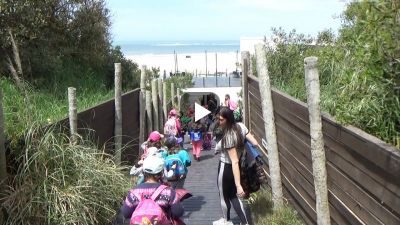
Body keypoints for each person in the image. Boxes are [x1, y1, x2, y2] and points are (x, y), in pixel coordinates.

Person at [213, 107, 259, 225]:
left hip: (226, 168)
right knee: (233, 196)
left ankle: (226, 220)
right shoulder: (241, 126)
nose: (219, 122)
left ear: (228, 119)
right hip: (235, 169)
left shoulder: (228, 136)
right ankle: (245, 222)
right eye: (218, 119)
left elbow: (233, 161)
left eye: (221, 119)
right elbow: (255, 143)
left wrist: (239, 185)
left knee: (224, 196)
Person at [121, 156, 184, 224]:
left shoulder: (134, 193)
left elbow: (126, 213)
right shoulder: (168, 192)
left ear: (143, 172)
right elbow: (178, 212)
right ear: (161, 174)